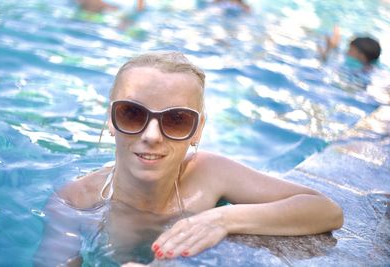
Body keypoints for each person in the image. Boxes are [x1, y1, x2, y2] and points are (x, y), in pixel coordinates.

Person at [34, 51, 343, 266]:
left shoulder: (209, 173)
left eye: (176, 120)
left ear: (197, 130)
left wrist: (222, 219)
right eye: (131, 114)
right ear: (111, 121)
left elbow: (325, 210)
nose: (152, 135)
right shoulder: (76, 203)